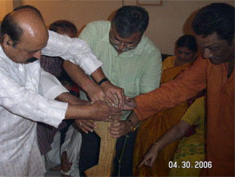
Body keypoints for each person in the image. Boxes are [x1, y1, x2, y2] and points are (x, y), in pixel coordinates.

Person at [0, 5, 125, 177]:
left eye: (41, 48)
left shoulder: (26, 37)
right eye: (32, 51)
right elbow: (26, 102)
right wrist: (88, 110)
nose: (39, 55)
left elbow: (75, 48)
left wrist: (104, 82)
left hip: (23, 139)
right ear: (7, 41)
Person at [128, 3, 234, 176]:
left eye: (213, 48)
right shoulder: (210, 61)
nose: (206, 55)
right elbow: (180, 87)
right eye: (202, 48)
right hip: (214, 160)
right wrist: (135, 104)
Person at [64, 6, 162, 176]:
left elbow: (149, 101)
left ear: (142, 35)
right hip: (90, 118)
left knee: (120, 168)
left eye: (130, 44)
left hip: (123, 123)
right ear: (112, 26)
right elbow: (69, 63)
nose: (121, 48)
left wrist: (129, 123)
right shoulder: (94, 31)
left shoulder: (151, 55)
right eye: (115, 40)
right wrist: (91, 88)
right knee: (89, 166)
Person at [133, 34, 199, 176]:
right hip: (155, 104)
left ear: (195, 53)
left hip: (177, 109)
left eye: (187, 53)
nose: (182, 56)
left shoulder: (195, 69)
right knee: (144, 139)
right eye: (179, 52)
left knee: (167, 149)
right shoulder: (168, 61)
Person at [37, 20, 82, 176]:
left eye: (71, 41)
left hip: (64, 113)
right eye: (62, 41)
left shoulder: (71, 58)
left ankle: (62, 161)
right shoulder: (42, 57)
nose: (67, 45)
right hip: (43, 111)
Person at [139, 96, 206, 177]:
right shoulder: (203, 102)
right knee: (190, 161)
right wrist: (156, 147)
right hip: (200, 142)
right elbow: (180, 128)